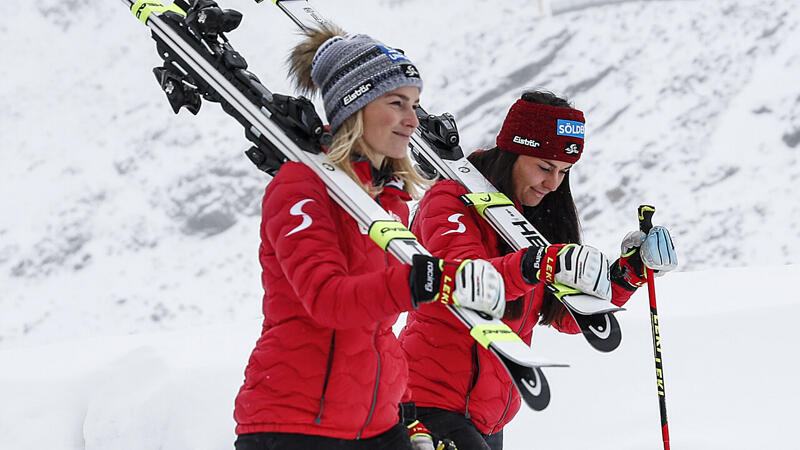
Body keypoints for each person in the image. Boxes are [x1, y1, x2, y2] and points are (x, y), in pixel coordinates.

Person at [232, 26, 507, 450]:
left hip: (377, 425)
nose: (413, 120)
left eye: (414, 105)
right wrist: (427, 281)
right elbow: (327, 299)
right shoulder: (300, 187)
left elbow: (378, 328)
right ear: (352, 108)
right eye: (396, 103)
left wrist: (404, 413)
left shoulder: (391, 200)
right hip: (293, 425)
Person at [399, 91, 678, 450]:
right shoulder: (448, 200)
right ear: (512, 153)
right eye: (545, 167)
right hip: (427, 404)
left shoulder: (530, 219)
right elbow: (468, 282)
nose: (553, 183)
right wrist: (542, 263)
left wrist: (630, 272)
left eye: (564, 171)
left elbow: (562, 313)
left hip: (488, 415)